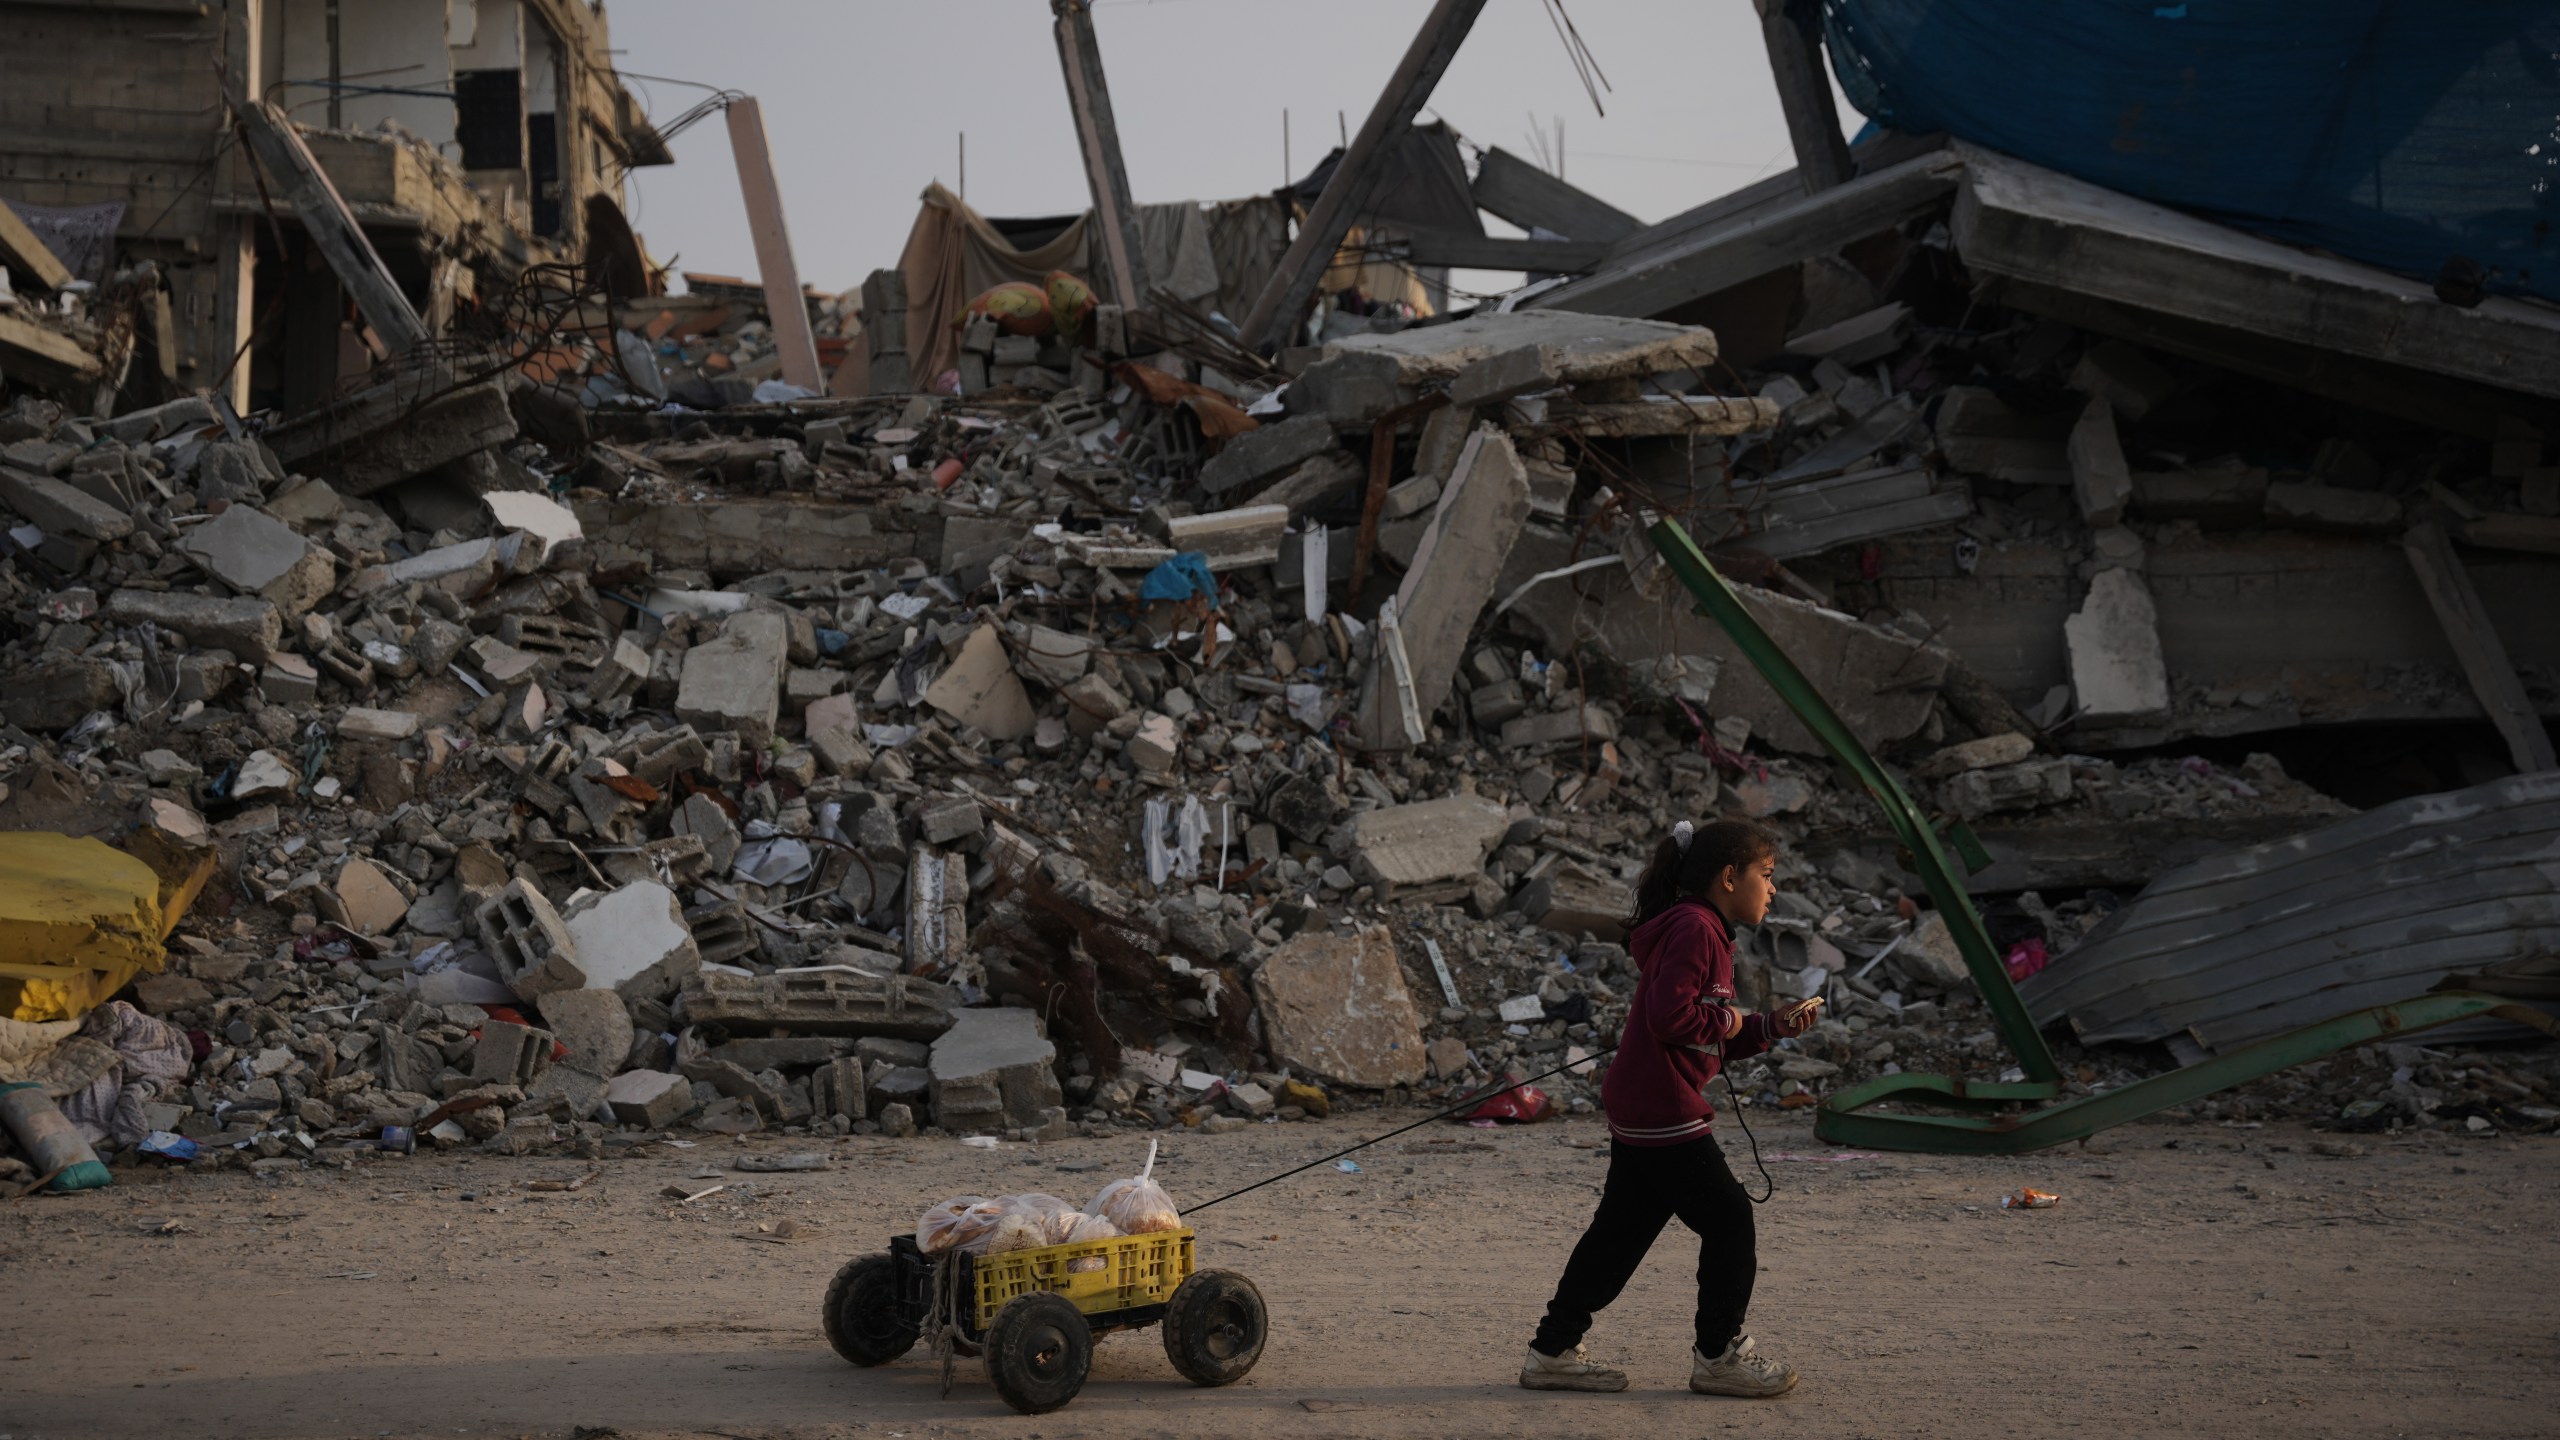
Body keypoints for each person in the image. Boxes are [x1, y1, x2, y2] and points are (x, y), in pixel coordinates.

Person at [1519, 818, 1820, 1398]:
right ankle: (1718, 1354)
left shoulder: (1701, 927)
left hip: (1644, 1099)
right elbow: (1672, 1018)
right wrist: (1732, 1019)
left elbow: (1702, 1030)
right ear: (1729, 878)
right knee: (1730, 1219)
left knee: (1620, 1233)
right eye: (1766, 875)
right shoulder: (1696, 928)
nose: (1773, 888)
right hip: (1662, 1105)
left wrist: (1770, 1026)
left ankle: (1552, 1350)